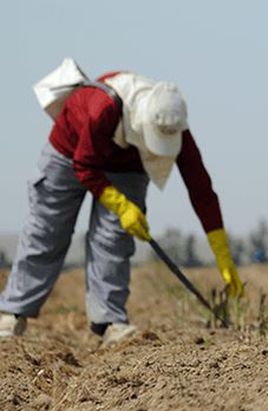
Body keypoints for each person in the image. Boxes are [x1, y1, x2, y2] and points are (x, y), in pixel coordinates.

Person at [0, 70, 243, 343]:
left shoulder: (174, 123)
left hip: (128, 168)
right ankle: (13, 312)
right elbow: (84, 165)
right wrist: (121, 205)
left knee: (114, 238)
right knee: (47, 231)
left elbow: (201, 189)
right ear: (140, 122)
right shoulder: (103, 107)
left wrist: (223, 257)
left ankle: (110, 321)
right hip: (70, 154)